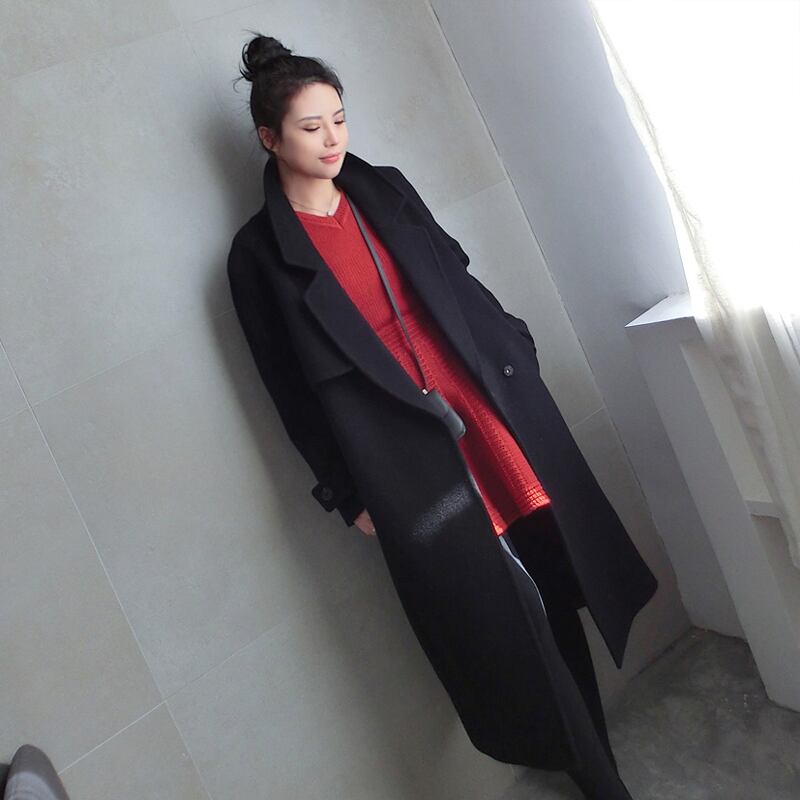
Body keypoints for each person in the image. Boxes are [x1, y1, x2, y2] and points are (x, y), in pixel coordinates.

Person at [229, 32, 643, 799]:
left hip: (485, 405)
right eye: (311, 127)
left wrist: (513, 341)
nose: (332, 139)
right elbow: (288, 389)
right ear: (269, 138)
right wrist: (346, 493)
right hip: (403, 455)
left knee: (552, 575)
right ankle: (597, 779)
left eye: (339, 119)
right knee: (504, 612)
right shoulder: (258, 257)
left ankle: (599, 766)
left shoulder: (383, 188)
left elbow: (454, 274)